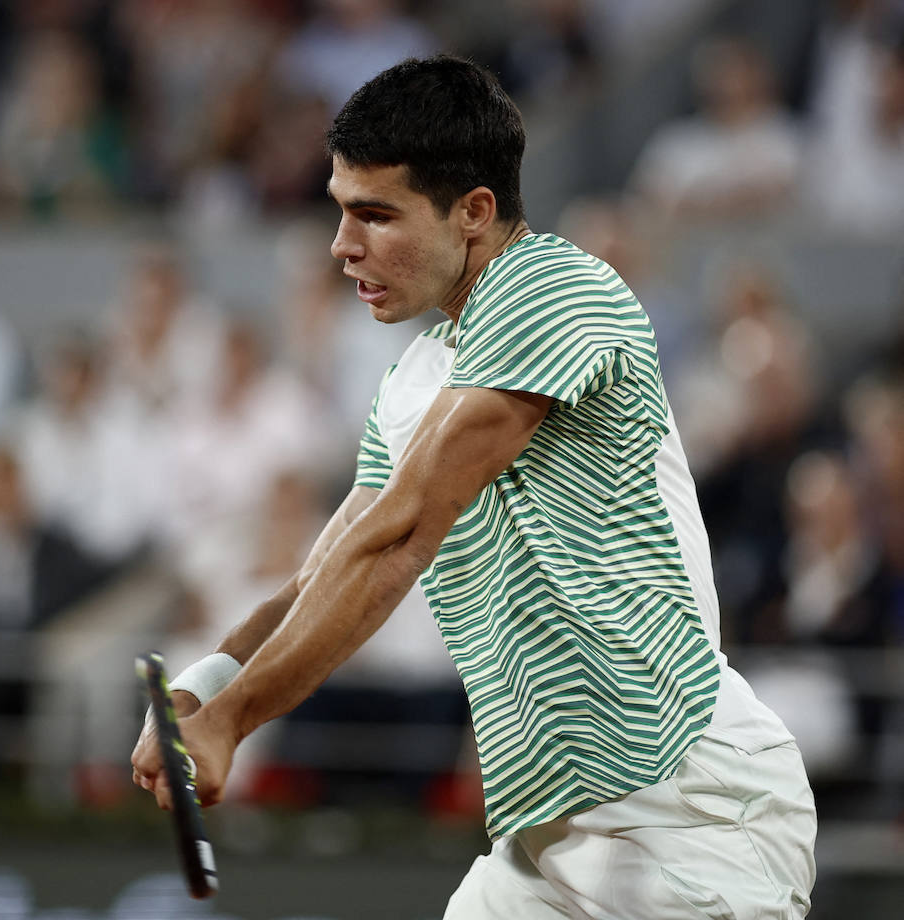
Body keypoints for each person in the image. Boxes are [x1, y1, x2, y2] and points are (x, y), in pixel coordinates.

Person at [131, 55, 816, 919]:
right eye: (342, 213)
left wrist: (234, 720)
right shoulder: (418, 377)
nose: (343, 246)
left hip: (692, 816)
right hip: (545, 845)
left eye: (375, 215)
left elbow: (401, 536)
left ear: (476, 214)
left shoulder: (551, 288)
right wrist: (208, 681)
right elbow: (329, 566)